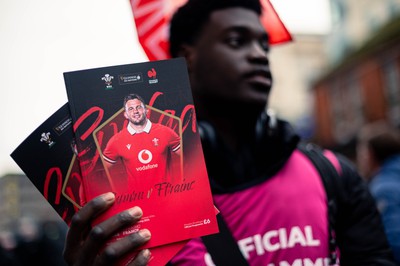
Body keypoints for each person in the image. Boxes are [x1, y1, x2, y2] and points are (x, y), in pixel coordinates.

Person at [63, 0, 396, 265]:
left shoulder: (332, 173)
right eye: (237, 41)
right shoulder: (139, 205)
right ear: (185, 56)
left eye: (264, 45)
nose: (258, 55)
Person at [102, 93, 181, 186]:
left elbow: (188, 156)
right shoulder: (117, 140)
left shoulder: (165, 132)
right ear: (125, 115)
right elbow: (102, 172)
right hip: (137, 198)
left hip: (166, 194)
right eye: (131, 109)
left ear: (146, 110)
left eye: (138, 107)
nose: (135, 111)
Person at [356, 120, 400, 264]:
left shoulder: (383, 189)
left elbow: (394, 239)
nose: (360, 160)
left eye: (362, 153)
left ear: (371, 154)